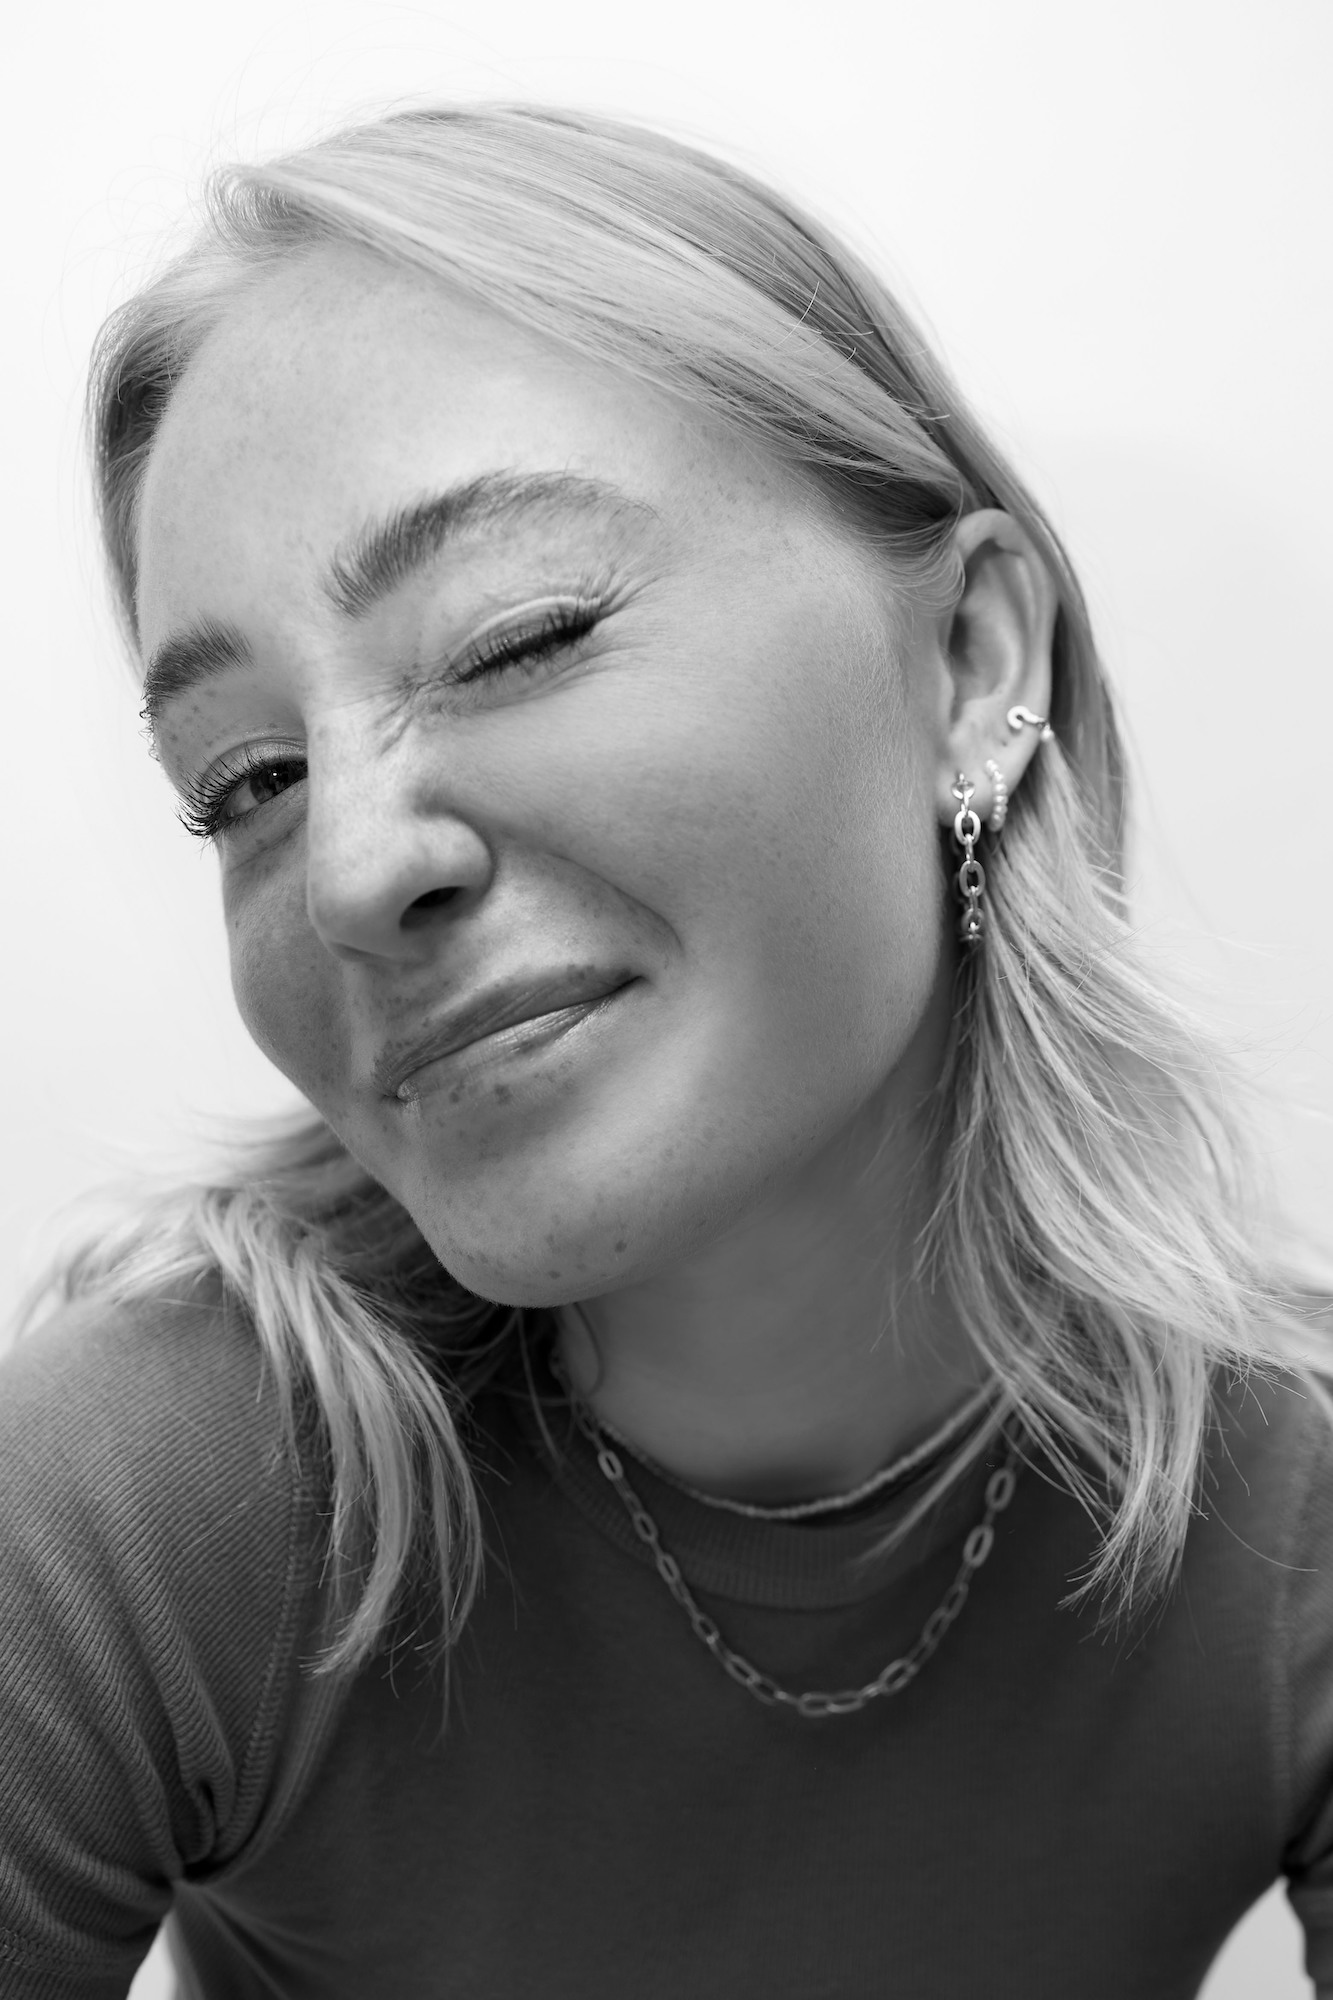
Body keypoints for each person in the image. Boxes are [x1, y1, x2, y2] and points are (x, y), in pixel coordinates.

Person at [2, 100, 1331, 2000]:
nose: (353, 868)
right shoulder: (142, 1508)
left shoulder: (1291, 1513)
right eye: (249, 780)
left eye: (518, 634)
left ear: (968, 663)